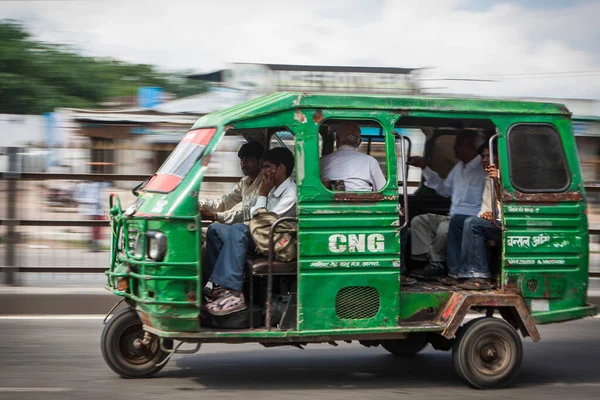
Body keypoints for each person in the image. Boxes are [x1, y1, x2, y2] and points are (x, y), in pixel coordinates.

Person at [203, 147, 297, 316]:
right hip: (261, 235)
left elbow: (261, 221)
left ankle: (234, 292)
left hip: (275, 240)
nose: (265, 171)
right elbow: (255, 216)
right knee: (215, 230)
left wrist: (262, 193)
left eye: (268, 167)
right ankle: (219, 286)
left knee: (239, 229)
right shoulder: (271, 188)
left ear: (281, 168)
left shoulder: (290, 193)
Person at [408, 131, 487, 280]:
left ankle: (436, 265)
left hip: (470, 220)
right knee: (419, 221)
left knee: (445, 229)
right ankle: (429, 263)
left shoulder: (483, 169)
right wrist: (424, 168)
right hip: (451, 216)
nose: (454, 148)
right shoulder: (458, 167)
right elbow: (444, 189)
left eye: (458, 144)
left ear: (470, 146)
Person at [443, 144, 501, 289]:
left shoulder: (506, 175)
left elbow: (508, 202)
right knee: (457, 220)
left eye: (489, 156)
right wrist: (486, 214)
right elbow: (486, 207)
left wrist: (497, 181)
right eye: (483, 156)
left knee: (472, 223)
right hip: (494, 220)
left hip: (507, 222)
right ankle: (456, 273)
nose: (485, 159)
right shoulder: (489, 177)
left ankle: (478, 274)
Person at [199, 141, 264, 224]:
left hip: (254, 229)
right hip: (245, 228)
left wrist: (215, 216)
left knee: (214, 229)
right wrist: (200, 204)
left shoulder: (265, 183)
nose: (243, 163)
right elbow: (225, 201)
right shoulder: (244, 182)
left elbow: (248, 213)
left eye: (249, 159)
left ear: (260, 162)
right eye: (242, 159)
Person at [320, 121, 386, 192]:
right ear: (359, 142)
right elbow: (383, 190)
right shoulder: (370, 161)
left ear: (337, 140)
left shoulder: (321, 161)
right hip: (363, 202)